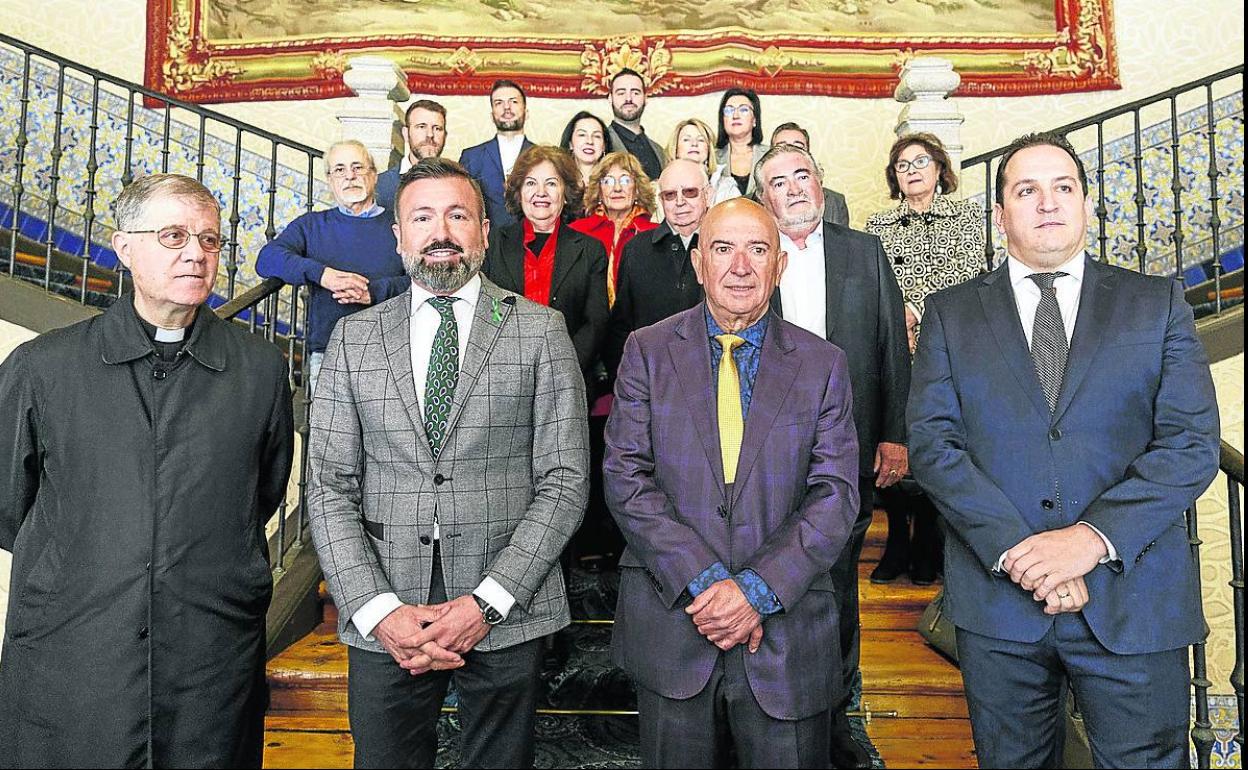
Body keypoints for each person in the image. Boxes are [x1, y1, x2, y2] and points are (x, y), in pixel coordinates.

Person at [908, 132, 1220, 769]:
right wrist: (1023, 555)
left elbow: (1190, 443)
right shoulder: (950, 314)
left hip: (1133, 602)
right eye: (1027, 190)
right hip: (1001, 607)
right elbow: (934, 447)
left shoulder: (1154, 303)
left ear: (1086, 203)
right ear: (999, 215)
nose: (1047, 203)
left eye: (1064, 187)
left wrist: (1089, 541)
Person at [0, 173, 294, 768]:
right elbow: (8, 506)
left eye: (210, 241)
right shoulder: (42, 367)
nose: (195, 252)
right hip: (76, 653)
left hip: (207, 657)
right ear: (123, 245)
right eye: (173, 235)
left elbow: (258, 494)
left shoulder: (259, 371)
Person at [307, 157, 589, 770]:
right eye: (423, 217)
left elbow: (564, 481)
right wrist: (378, 610)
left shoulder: (539, 331)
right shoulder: (355, 339)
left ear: (485, 231)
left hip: (507, 605)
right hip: (386, 606)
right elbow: (328, 486)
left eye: (458, 215)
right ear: (399, 236)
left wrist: (486, 602)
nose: (441, 231)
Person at [604, 197, 860, 768]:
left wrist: (755, 591)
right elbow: (626, 475)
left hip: (786, 635)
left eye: (757, 249)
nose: (740, 265)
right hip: (674, 627)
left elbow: (835, 494)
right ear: (699, 263)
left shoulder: (824, 364)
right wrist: (705, 583)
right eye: (723, 248)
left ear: (780, 265)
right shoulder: (645, 351)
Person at [756, 143, 910, 769]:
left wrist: (895, 433)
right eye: (777, 182)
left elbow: (892, 347)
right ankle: (773, 708)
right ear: (762, 197)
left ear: (821, 185)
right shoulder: (751, 255)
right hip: (766, 459)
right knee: (777, 577)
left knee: (839, 588)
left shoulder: (864, 251)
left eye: (802, 177)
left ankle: (840, 718)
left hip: (847, 450)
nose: (792, 189)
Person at [865, 132, 985, 586]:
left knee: (937, 442)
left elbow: (966, 273)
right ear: (894, 177)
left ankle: (929, 542)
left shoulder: (967, 216)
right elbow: (875, 283)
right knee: (894, 438)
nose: (912, 169)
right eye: (902, 164)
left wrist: (915, 308)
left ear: (939, 168)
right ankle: (897, 538)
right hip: (895, 351)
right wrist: (899, 317)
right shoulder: (878, 225)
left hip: (947, 350)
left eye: (920, 161)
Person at [256, 139, 408, 393]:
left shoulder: (400, 226)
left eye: (358, 167)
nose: (350, 176)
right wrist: (321, 274)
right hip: (329, 351)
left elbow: (421, 281)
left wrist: (375, 292)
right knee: (329, 433)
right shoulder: (311, 225)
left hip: (391, 351)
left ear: (373, 174)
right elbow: (267, 258)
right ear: (329, 180)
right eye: (339, 169)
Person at [482, 145, 609, 377]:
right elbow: (486, 311)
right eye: (531, 183)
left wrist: (562, 369)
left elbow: (595, 324)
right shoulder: (493, 243)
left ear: (566, 192)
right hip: (502, 376)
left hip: (568, 376)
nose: (541, 192)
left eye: (551, 183)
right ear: (518, 192)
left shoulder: (591, 250)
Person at [605, 158, 710, 378]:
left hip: (715, 382)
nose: (679, 202)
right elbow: (620, 327)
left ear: (708, 194)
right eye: (670, 195)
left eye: (690, 192)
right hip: (652, 383)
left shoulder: (727, 246)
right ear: (660, 201)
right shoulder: (637, 249)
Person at [569, 150, 659, 308]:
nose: (617, 188)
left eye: (625, 180)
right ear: (599, 191)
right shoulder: (576, 232)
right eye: (608, 181)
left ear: (637, 189)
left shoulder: (655, 235)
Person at [460, 79, 534, 229]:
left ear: (526, 112)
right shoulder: (471, 157)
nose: (507, 107)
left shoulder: (544, 157)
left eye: (513, 102)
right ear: (491, 114)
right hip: (487, 245)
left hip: (534, 245)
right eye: (499, 103)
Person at [769, 122, 850, 226]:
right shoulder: (751, 203)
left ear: (808, 155)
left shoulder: (835, 202)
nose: (790, 152)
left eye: (798, 147)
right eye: (782, 147)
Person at [377, 99, 448, 211]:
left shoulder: (455, 183)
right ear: (405, 134)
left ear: (445, 136)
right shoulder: (380, 186)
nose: (430, 135)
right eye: (421, 127)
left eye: (437, 128)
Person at [605, 68, 666, 183]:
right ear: (610, 99)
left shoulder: (660, 151)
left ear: (645, 99)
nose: (628, 99)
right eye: (621, 93)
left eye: (635, 92)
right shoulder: (601, 144)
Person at [666, 117, 740, 205]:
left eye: (701, 140)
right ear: (676, 149)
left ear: (709, 150)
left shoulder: (727, 187)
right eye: (686, 140)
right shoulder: (662, 187)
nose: (694, 144)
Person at [715, 88, 767, 198]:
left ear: (754, 120)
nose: (735, 116)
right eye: (729, 110)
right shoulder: (712, 158)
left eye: (743, 110)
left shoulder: (770, 155)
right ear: (723, 119)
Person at [559, 111, 615, 207]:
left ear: (604, 146)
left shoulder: (614, 181)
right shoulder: (558, 179)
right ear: (570, 143)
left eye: (597, 136)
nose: (589, 141)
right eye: (582, 135)